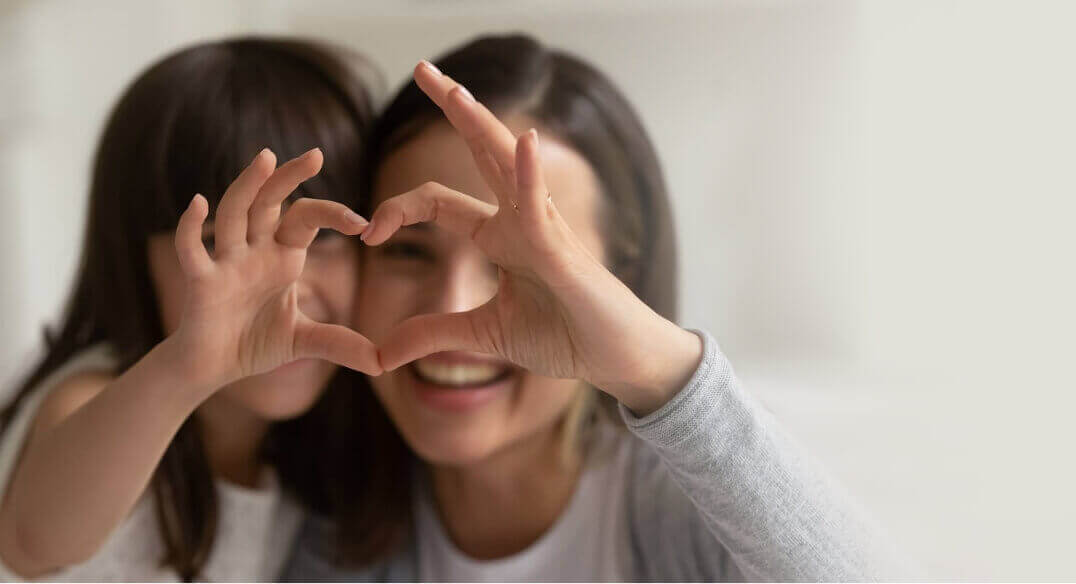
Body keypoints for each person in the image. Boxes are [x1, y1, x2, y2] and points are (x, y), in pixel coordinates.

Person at [285, 34, 897, 581]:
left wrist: (660, 372)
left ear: (620, 278)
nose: (453, 312)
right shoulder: (325, 529)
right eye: (408, 253)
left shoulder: (696, 508)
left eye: (523, 266)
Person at [0, 38, 379, 581]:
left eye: (318, 237)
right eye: (220, 241)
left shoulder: (308, 457)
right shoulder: (93, 398)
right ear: (133, 257)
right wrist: (186, 367)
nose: (282, 289)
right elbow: (35, 538)